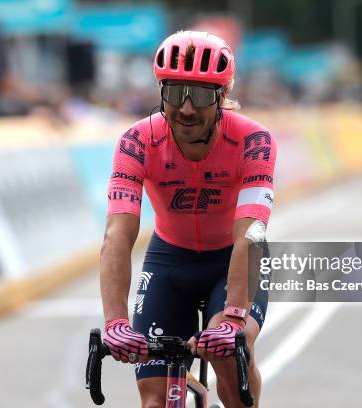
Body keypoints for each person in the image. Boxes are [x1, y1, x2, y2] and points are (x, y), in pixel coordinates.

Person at [100, 30, 276, 408]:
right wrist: (115, 321)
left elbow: (251, 231)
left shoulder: (253, 141)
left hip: (234, 259)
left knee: (227, 350)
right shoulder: (136, 142)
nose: (186, 109)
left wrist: (232, 319)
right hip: (170, 261)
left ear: (222, 96)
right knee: (155, 401)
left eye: (199, 95)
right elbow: (117, 234)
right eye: (175, 93)